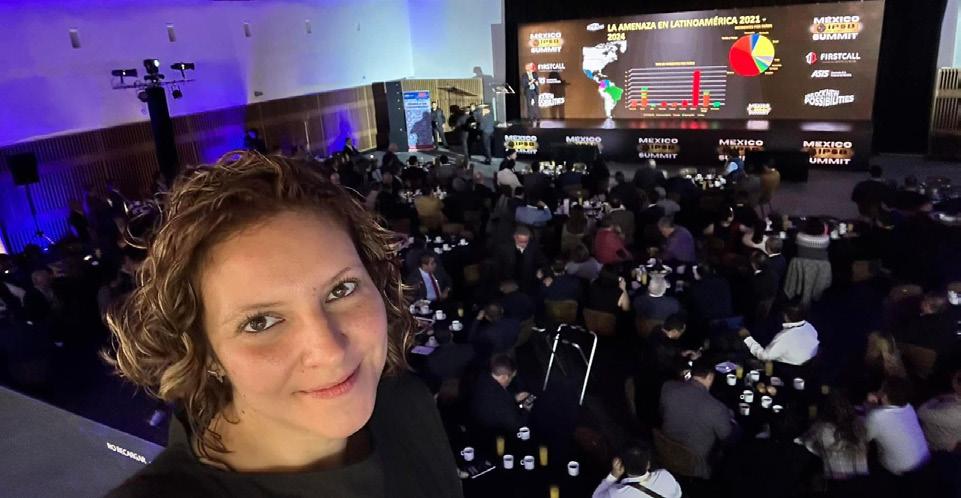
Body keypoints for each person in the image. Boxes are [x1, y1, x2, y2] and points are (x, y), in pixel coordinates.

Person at [105, 152, 462, 497]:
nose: (329, 351)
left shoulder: (407, 405)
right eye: (260, 322)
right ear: (204, 352)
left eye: (341, 289)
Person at [659, 358, 737, 479]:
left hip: (666, 453)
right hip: (694, 466)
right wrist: (729, 417)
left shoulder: (668, 387)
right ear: (710, 377)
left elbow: (662, 412)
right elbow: (727, 437)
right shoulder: (716, 408)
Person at [865, 377, 931, 476]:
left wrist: (869, 405)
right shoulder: (909, 407)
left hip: (901, 470)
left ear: (885, 396)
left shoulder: (877, 416)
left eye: (881, 389)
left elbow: (864, 437)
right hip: (925, 460)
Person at [803, 390, 870, 482]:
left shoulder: (823, 428)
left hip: (839, 480)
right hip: (862, 479)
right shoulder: (859, 425)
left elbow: (808, 443)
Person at [592, 440, 682, 498]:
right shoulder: (665, 476)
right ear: (648, 464)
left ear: (621, 465)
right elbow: (678, 494)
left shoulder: (615, 494)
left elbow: (596, 496)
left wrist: (613, 476)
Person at [469, 354, 530, 434]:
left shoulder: (482, 376)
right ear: (504, 377)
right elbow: (518, 427)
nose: (512, 380)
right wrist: (525, 409)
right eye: (512, 377)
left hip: (474, 416)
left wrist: (514, 397)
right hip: (490, 432)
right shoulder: (502, 406)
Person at [742, 303, 819, 366]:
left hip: (789, 368)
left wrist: (747, 337)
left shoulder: (785, 336)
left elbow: (765, 356)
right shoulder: (810, 327)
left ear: (786, 316)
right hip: (809, 365)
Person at [918, 364, 961, 452]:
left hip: (933, 443)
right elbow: (953, 396)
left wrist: (935, 399)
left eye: (955, 378)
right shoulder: (957, 398)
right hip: (944, 430)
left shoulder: (956, 414)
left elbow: (920, 412)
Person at [493, 226, 548, 294]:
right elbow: (497, 269)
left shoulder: (533, 247)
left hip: (527, 285)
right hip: (508, 285)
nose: (524, 244)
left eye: (526, 241)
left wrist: (542, 271)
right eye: (521, 241)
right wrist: (502, 283)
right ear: (515, 238)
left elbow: (543, 262)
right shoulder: (503, 249)